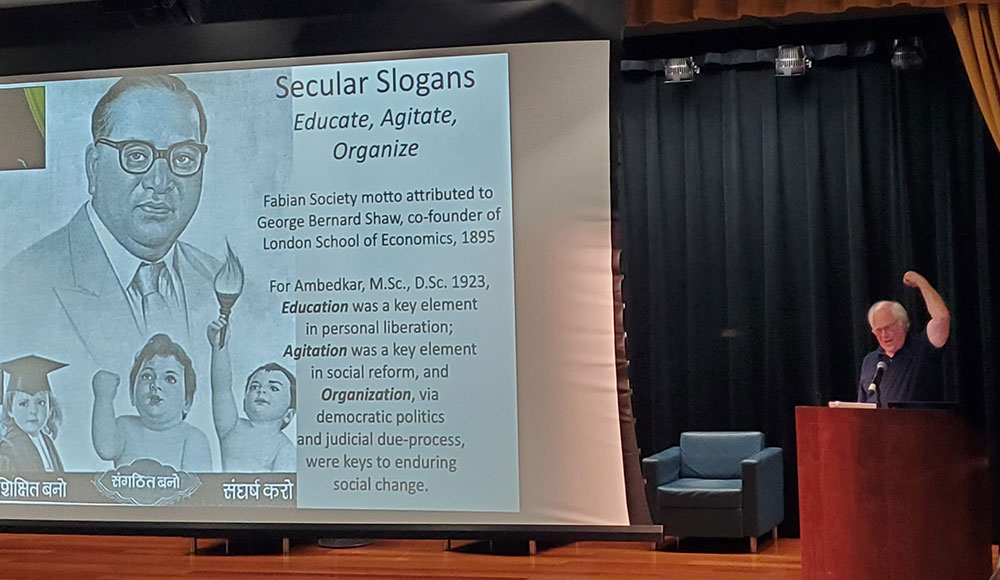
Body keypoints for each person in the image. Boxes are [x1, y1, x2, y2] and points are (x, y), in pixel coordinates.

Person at [0, 74, 220, 369]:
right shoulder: (21, 285)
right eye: (137, 155)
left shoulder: (222, 283)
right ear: (93, 167)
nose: (160, 182)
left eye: (182, 158)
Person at [91, 334, 212, 472]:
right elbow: (106, 449)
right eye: (147, 376)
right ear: (132, 394)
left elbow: (200, 487)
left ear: (187, 401)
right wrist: (103, 397)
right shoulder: (124, 427)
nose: (155, 384)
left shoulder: (192, 438)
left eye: (170, 379)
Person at [207, 318, 296, 472]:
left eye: (273, 388)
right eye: (254, 386)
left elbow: (284, 492)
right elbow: (222, 390)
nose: (261, 391)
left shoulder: (285, 450)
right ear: (243, 403)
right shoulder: (232, 428)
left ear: (289, 414)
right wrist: (219, 347)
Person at [857, 270, 950, 406]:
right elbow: (862, 408)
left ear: (903, 324)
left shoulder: (922, 349)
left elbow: (942, 317)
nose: (884, 335)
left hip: (919, 425)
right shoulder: (870, 361)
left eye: (888, 328)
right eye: (878, 330)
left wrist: (920, 282)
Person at [0, 355, 67, 473]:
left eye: (41, 403)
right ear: (10, 409)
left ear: (50, 407)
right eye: (23, 404)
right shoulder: (8, 449)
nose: (33, 411)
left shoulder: (47, 440)